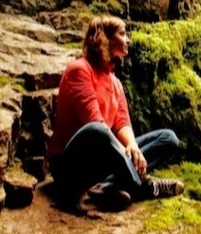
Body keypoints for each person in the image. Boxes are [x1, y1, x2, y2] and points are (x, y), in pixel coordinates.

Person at [47, 15, 183, 211]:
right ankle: (142, 187)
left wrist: (133, 147)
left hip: (102, 162)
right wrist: (123, 151)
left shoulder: (114, 81)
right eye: (122, 34)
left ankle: (105, 187)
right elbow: (94, 122)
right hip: (71, 166)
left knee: (167, 138)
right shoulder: (80, 70)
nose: (127, 39)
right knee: (97, 130)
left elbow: (121, 121)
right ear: (104, 39)